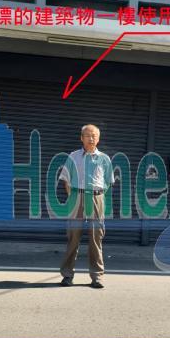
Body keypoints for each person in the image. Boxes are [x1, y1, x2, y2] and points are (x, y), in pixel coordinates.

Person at [59, 124, 114, 289]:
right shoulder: (73, 156)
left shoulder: (104, 159)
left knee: (96, 237)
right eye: (88, 135)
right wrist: (74, 197)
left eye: (94, 136)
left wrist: (97, 195)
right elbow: (66, 179)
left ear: (98, 139)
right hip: (77, 197)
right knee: (73, 237)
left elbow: (108, 182)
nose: (91, 138)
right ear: (81, 138)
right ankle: (67, 275)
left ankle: (97, 277)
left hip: (96, 198)